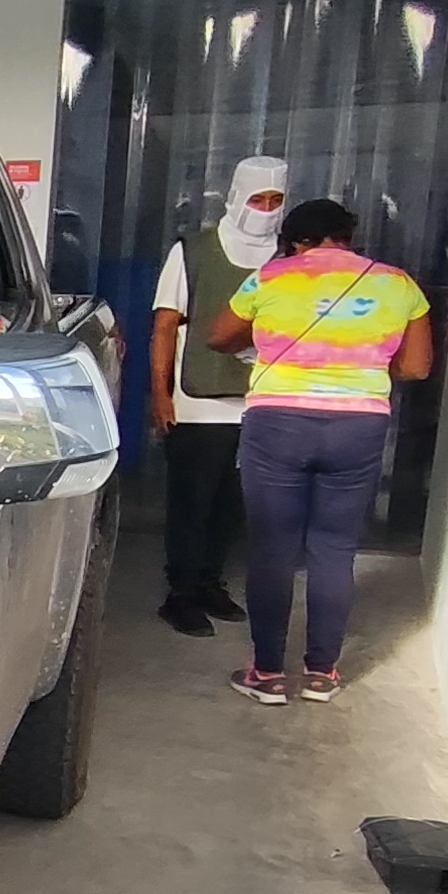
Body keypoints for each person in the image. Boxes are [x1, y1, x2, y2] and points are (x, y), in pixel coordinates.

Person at [208, 197, 432, 705]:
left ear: (294, 241)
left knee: (273, 548)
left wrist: (267, 344)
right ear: (349, 237)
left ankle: (267, 674)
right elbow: (417, 368)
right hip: (359, 426)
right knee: (334, 549)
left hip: (278, 424)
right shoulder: (398, 284)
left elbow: (218, 336)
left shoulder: (270, 277)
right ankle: (320, 674)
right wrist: (361, 367)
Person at [148, 156, 288, 636]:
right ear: (236, 198)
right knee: (192, 505)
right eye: (257, 200)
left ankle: (210, 583)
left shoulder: (287, 259)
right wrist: (161, 393)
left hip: (261, 403)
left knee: (232, 507)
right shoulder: (193, 252)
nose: (266, 210)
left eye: (275, 201)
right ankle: (181, 594)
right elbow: (165, 325)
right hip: (198, 402)